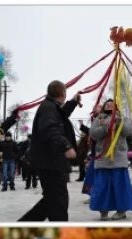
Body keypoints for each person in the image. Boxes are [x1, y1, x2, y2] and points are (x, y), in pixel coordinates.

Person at [28, 80, 81, 221]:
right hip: (50, 163)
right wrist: (66, 146)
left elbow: (60, 117)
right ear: (63, 93)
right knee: (58, 202)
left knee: (52, 201)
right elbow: (50, 129)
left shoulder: (50, 107)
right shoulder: (48, 108)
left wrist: (73, 102)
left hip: (51, 163)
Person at [89, 99, 132, 220]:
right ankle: (103, 211)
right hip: (103, 157)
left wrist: (119, 122)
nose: (109, 105)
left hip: (118, 158)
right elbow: (93, 134)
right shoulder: (98, 119)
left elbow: (129, 131)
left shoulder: (123, 118)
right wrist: (105, 128)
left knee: (120, 187)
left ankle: (121, 211)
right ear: (104, 107)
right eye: (107, 104)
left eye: (112, 104)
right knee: (102, 187)